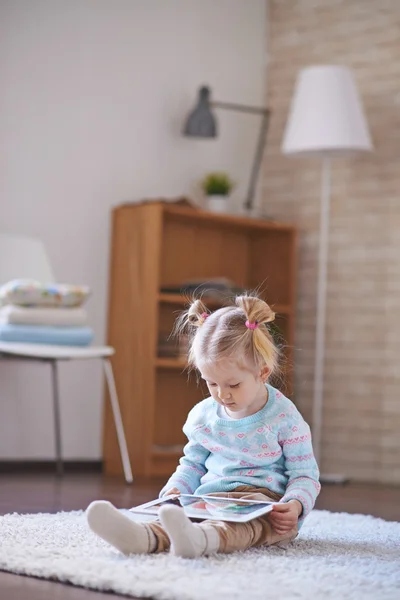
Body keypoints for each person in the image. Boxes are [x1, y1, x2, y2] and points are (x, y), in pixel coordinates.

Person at [86, 295, 320, 558]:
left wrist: (295, 504)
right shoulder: (203, 415)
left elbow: (305, 474)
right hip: (211, 496)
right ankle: (143, 537)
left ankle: (202, 540)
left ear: (262, 373)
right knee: (180, 517)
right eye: (211, 383)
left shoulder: (285, 417)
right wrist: (176, 489)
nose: (222, 394)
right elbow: (192, 464)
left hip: (264, 505)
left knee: (244, 528)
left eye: (233, 385)